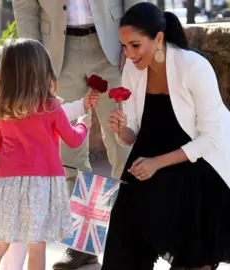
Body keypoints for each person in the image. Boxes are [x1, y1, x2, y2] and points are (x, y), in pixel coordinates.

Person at [104, 3, 230, 269]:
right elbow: (134, 134)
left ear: (159, 38)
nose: (128, 54)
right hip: (152, 158)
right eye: (124, 46)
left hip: (207, 164)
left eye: (135, 45)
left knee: (194, 258)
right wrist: (121, 131)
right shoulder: (132, 69)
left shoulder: (194, 66)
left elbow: (211, 139)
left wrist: (157, 163)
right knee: (123, 239)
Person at [12, 0, 144, 268]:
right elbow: (25, 7)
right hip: (58, 54)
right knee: (68, 154)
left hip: (111, 43)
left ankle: (133, 238)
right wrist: (34, 61)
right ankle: (84, 244)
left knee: (124, 146)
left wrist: (136, 38)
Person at [0, 46, 98, 270]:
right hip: (42, 185)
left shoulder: (0, 109)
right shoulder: (51, 107)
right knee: (36, 247)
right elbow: (74, 140)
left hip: (7, 185)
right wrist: (84, 123)